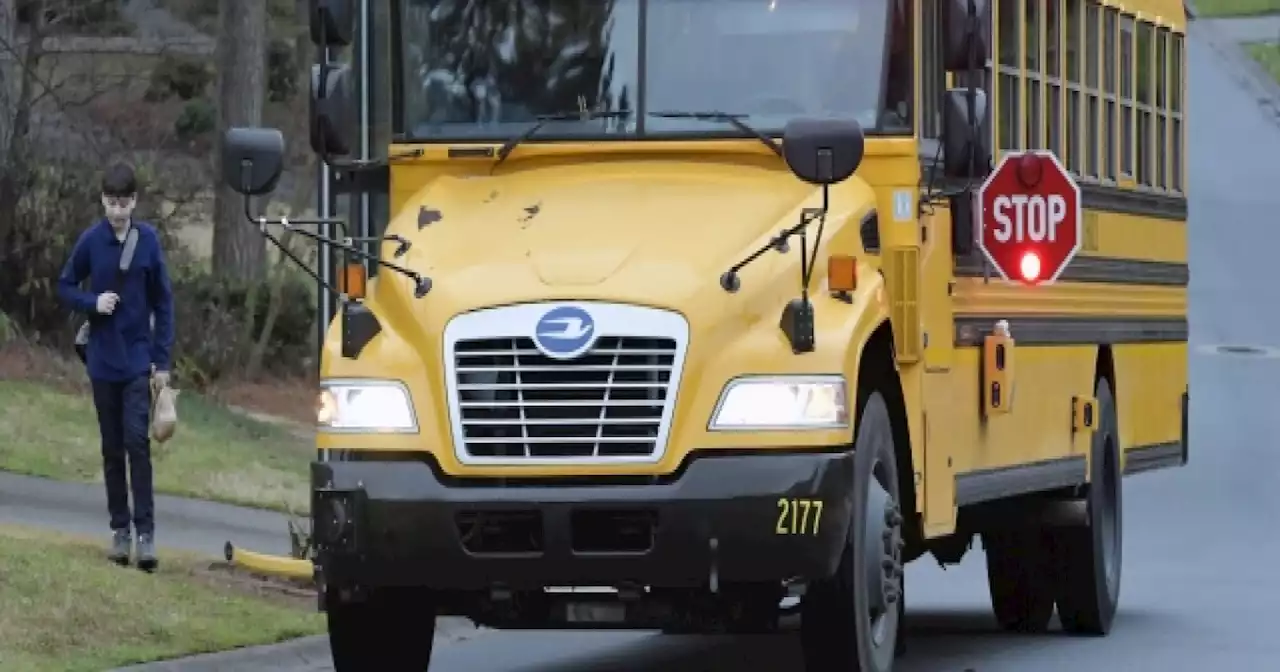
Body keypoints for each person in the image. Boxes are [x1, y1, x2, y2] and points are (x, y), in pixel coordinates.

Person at [56, 163, 174, 572]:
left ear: (135, 201)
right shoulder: (91, 241)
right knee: (111, 450)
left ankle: (146, 534)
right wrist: (93, 302)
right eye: (111, 202)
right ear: (103, 200)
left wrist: (162, 362)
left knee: (137, 444)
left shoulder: (148, 242)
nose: (118, 210)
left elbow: (164, 302)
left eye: (124, 202)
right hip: (102, 361)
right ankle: (119, 531)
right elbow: (65, 285)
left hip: (138, 360)